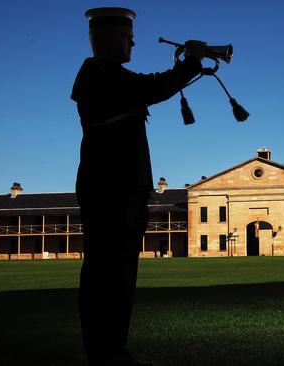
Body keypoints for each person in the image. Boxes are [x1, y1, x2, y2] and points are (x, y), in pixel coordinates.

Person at [71, 7, 206, 365]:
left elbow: (150, 86)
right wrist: (191, 61)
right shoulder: (99, 73)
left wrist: (188, 64)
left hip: (119, 189)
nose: (132, 40)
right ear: (103, 37)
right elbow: (155, 86)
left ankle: (110, 350)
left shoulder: (107, 76)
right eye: (125, 34)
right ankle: (107, 352)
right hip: (111, 189)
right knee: (110, 276)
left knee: (118, 273)